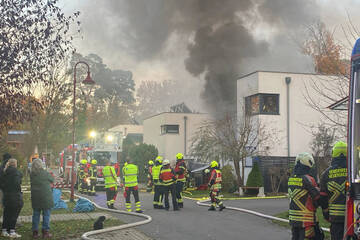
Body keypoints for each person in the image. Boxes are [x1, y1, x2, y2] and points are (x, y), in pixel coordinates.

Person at [288, 152, 321, 240]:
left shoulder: (291, 179)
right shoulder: (308, 179)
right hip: (306, 220)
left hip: (293, 220)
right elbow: (317, 197)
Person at [320, 141, 347, 240]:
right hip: (352, 215)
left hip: (335, 218)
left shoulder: (326, 174)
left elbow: (322, 197)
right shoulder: (354, 171)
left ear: (333, 154)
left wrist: (326, 213)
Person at [30, 159, 54, 239]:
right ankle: (45, 232)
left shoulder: (32, 174)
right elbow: (52, 180)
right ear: (41, 165)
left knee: (36, 215)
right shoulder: (45, 173)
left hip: (35, 197)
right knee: (46, 214)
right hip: (45, 197)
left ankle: (35, 232)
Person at [1, 158, 23, 238]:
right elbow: (17, 183)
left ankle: (4, 230)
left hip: (6, 196)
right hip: (15, 196)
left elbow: (2, 184)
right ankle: (12, 231)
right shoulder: (16, 172)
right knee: (14, 214)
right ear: (15, 164)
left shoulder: (4, 172)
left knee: (6, 213)